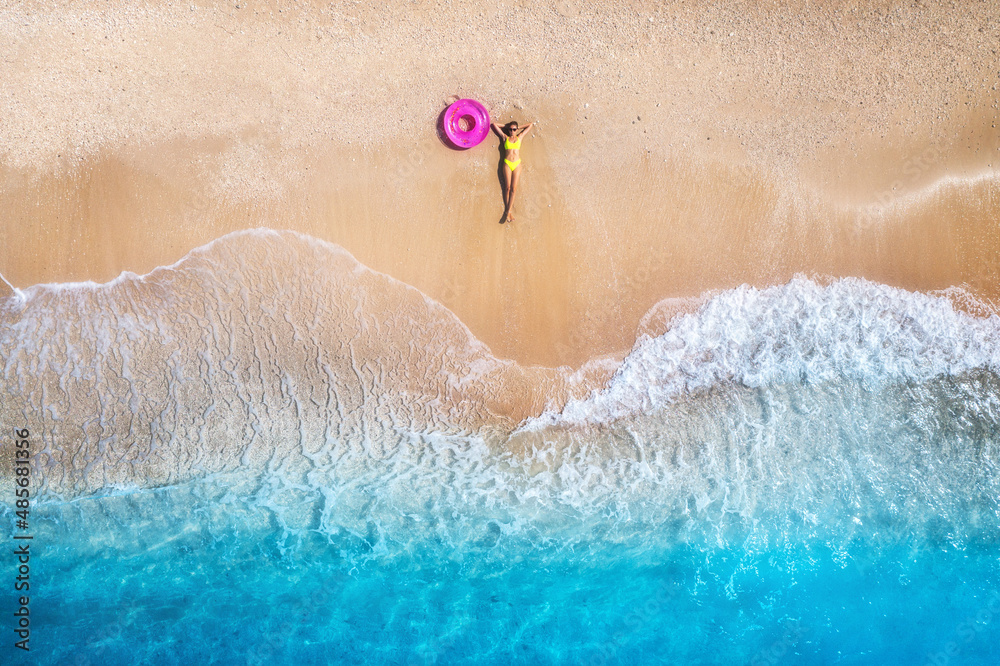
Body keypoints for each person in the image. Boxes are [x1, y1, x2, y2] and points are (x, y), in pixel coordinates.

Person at [490, 120, 534, 224]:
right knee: (507, 187)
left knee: (514, 189)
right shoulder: (505, 137)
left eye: (514, 129)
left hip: (517, 164)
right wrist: (506, 126)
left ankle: (508, 211)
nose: (512, 131)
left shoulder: (520, 137)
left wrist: (518, 127)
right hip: (507, 163)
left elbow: (530, 125)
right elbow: (495, 125)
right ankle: (508, 211)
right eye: (510, 129)